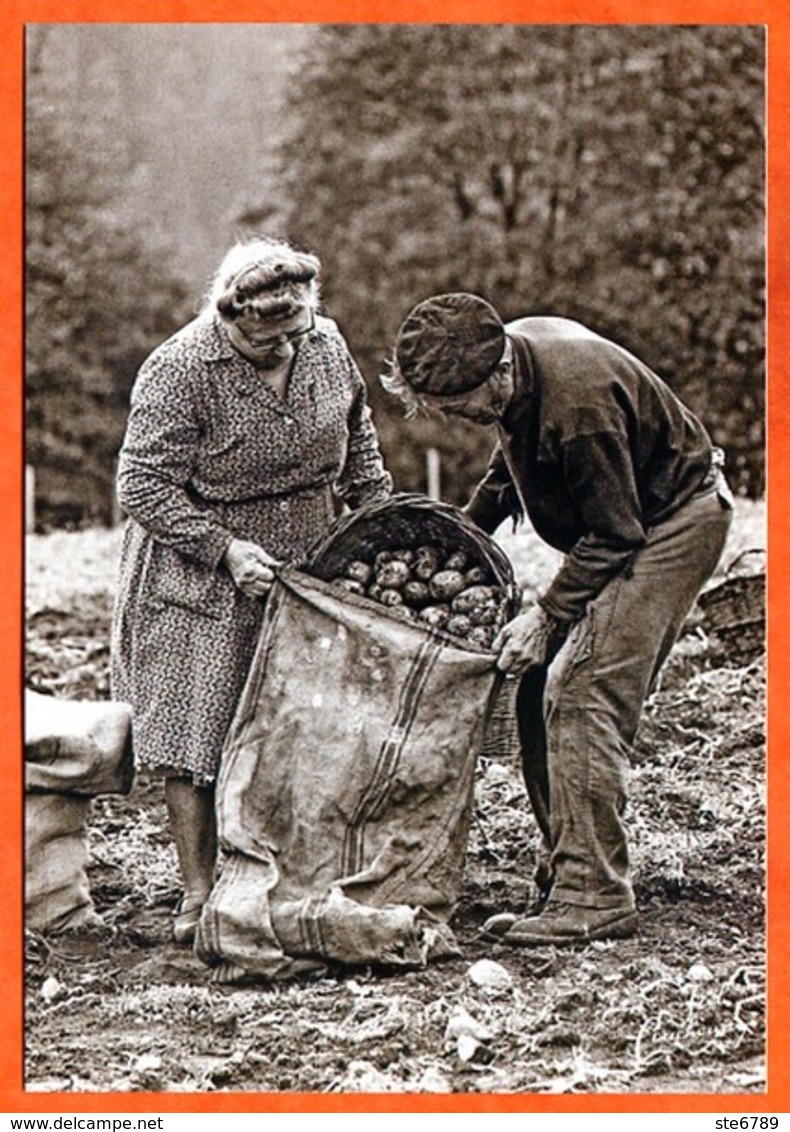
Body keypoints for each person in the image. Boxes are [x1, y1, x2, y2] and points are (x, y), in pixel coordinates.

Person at [381, 292, 733, 947]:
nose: (458, 421)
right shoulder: (512, 360)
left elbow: (615, 533)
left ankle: (593, 893)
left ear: (499, 376)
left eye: (461, 409)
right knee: (538, 689)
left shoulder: (579, 407)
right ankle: (566, 869)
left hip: (671, 524)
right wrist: (459, 541)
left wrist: (545, 617)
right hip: (632, 524)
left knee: (582, 688)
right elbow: (508, 465)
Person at [111, 236, 392, 944]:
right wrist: (224, 549)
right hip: (200, 562)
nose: (284, 351)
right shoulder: (179, 369)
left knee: (302, 720)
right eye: (267, 341)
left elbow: (359, 439)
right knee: (200, 730)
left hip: (309, 551)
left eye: (294, 333)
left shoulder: (323, 343)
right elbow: (140, 483)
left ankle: (293, 872)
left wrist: (380, 521)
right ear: (229, 318)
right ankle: (199, 891)